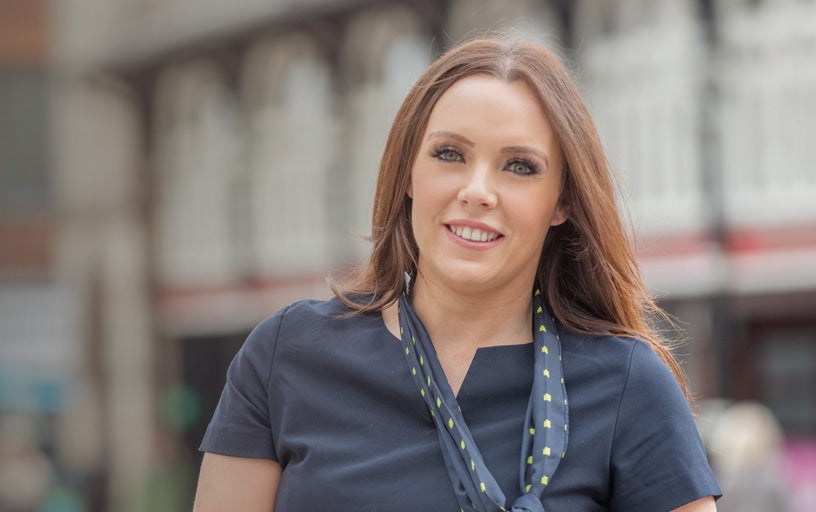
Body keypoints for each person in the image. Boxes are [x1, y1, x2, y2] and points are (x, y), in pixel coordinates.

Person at [193, 37, 722, 511]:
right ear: (407, 175)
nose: (477, 190)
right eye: (450, 154)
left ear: (561, 201)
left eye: (519, 166)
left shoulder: (629, 384)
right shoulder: (286, 355)